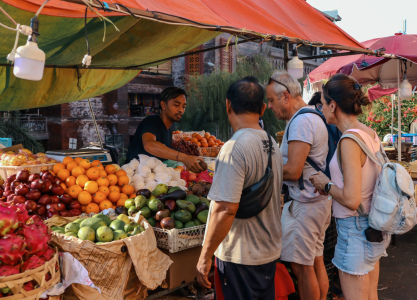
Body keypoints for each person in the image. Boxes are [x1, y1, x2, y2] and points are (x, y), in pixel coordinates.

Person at [196, 77, 283, 299]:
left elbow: (225, 208)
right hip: (267, 251)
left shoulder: (234, 147)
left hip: (241, 256)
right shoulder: (271, 142)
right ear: (263, 108)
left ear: (227, 105)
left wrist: (205, 256)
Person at [309, 73, 389, 300]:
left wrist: (325, 184)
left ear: (333, 105)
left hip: (355, 230)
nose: (321, 108)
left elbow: (352, 199)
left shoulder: (349, 141)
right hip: (372, 227)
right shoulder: (369, 133)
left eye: (322, 103)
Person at [266, 71, 331, 300]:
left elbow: (293, 171)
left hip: (305, 205)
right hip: (318, 202)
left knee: (302, 268)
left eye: (271, 101)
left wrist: (263, 170)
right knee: (315, 261)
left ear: (285, 96)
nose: (269, 107)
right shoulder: (312, 115)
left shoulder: (302, 122)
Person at [126, 87, 203, 173]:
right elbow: (149, 145)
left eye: (183, 106)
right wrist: (184, 157)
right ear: (163, 105)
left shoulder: (169, 131)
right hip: (134, 177)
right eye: (176, 105)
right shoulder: (151, 121)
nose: (181, 110)